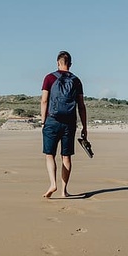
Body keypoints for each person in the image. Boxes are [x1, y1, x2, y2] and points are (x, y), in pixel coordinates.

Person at [40, 50, 88, 199]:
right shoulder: (76, 80)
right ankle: (64, 190)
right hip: (69, 123)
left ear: (57, 63)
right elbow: (81, 105)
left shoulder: (49, 78)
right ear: (70, 64)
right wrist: (84, 127)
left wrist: (43, 121)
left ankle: (53, 183)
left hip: (52, 121)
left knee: (50, 155)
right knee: (66, 157)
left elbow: (44, 101)